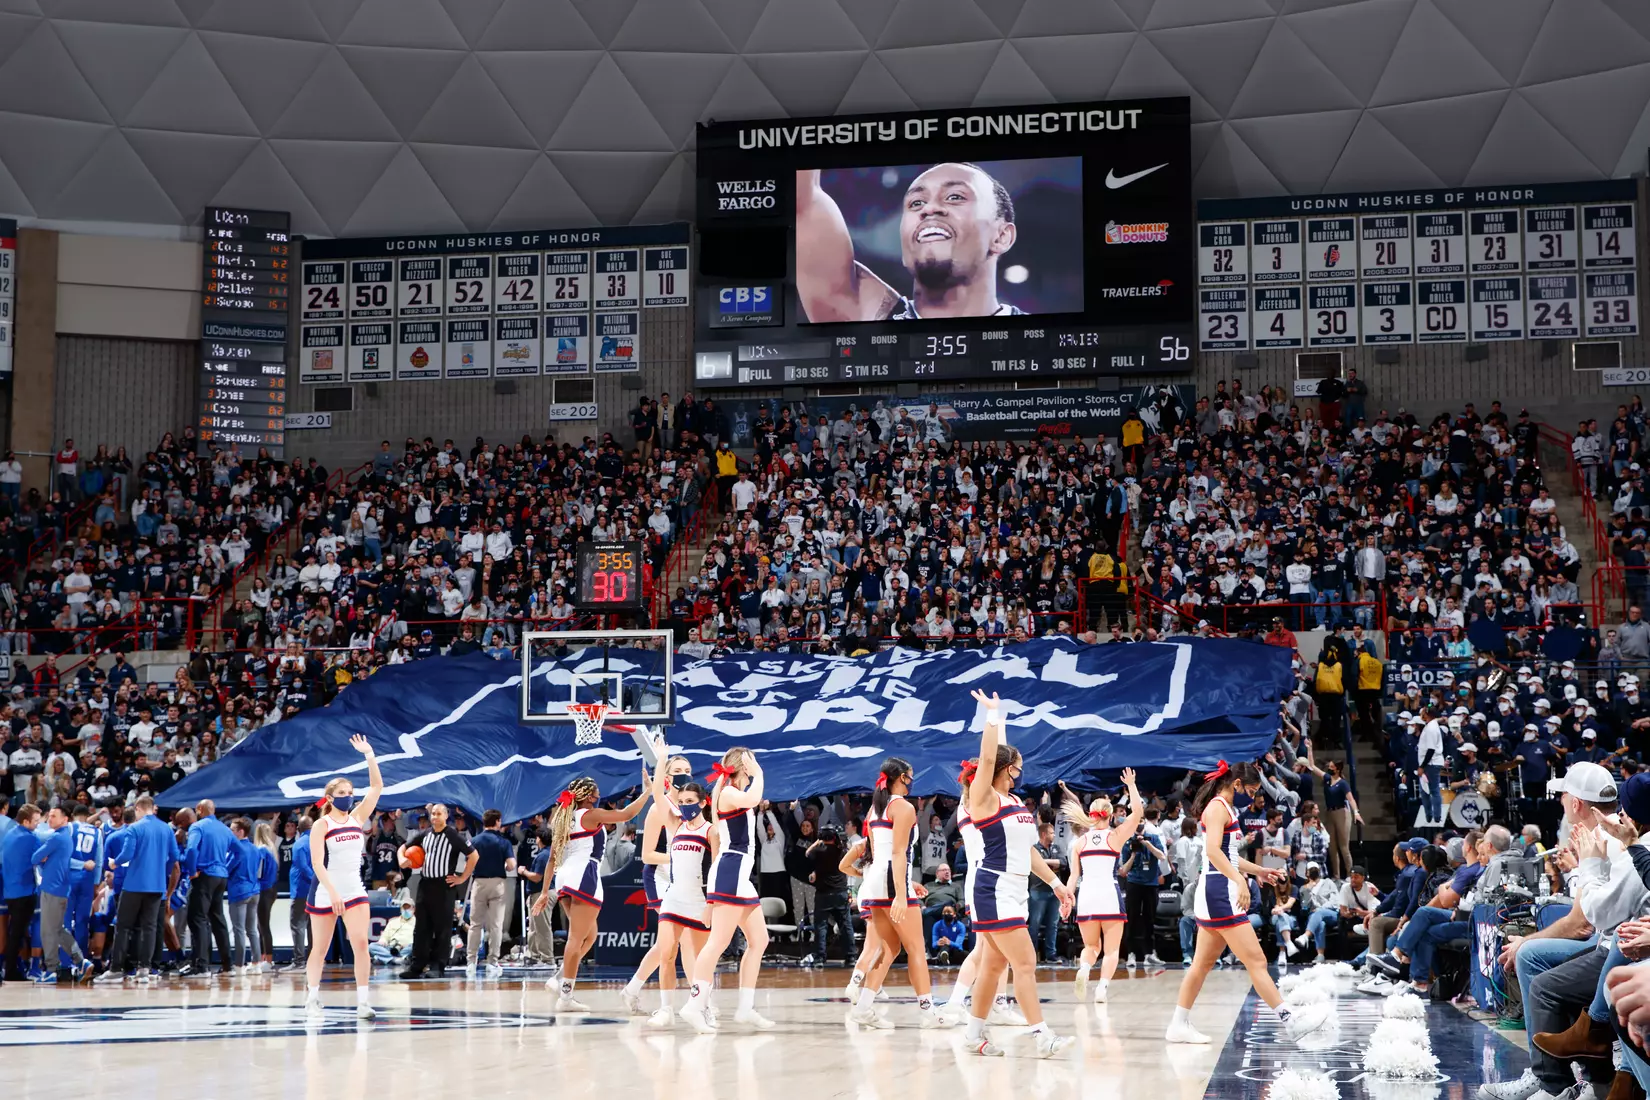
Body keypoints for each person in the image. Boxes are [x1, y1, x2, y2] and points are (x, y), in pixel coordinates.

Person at [1167, 761, 1331, 1044]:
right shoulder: (1218, 807)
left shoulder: (1226, 807)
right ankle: (1290, 1022)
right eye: (1252, 790)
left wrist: (1260, 871)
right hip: (1220, 890)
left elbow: (1228, 855)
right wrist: (1239, 880)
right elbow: (1213, 852)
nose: (1253, 796)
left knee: (1201, 964)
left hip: (1216, 886)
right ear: (1237, 784)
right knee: (1255, 960)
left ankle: (1178, 1024)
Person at [961, 689, 1074, 1058]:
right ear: (1005, 768)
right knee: (1025, 962)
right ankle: (1043, 1036)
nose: (1020, 771)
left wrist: (1056, 884)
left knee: (993, 969)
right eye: (1017, 766)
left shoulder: (1012, 801)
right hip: (993, 888)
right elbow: (990, 755)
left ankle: (973, 1036)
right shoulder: (983, 797)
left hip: (1015, 887)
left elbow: (1026, 851)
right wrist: (993, 717)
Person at [794, 165, 1025, 323]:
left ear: (1001, 236)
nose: (929, 208)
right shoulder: (860, 313)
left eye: (955, 196)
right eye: (916, 203)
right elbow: (801, 199)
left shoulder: (1040, 338)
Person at [531, 770, 649, 1012]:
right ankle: (566, 997)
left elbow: (552, 859)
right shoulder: (591, 814)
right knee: (577, 938)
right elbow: (627, 814)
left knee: (590, 934)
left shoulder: (564, 817)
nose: (599, 792)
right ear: (589, 795)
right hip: (585, 874)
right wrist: (648, 791)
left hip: (565, 877)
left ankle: (558, 979)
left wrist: (545, 892)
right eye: (595, 789)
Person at [680, 747, 776, 1033]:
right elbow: (753, 798)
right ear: (744, 765)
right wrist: (759, 773)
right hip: (732, 871)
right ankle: (694, 1005)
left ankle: (745, 1008)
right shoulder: (731, 793)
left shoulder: (730, 792)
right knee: (718, 943)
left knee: (759, 941)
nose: (756, 766)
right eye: (752, 762)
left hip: (739, 874)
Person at [850, 756, 941, 1028]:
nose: (913, 781)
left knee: (889, 948)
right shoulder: (903, 807)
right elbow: (898, 852)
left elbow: (876, 853)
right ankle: (928, 1011)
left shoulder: (874, 809)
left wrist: (903, 884)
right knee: (916, 948)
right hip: (891, 880)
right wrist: (902, 893)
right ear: (901, 777)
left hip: (875, 880)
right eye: (910, 776)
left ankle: (863, 1007)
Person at [303, 734, 383, 1019]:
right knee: (320, 949)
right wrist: (334, 894)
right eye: (342, 793)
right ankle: (312, 997)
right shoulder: (321, 825)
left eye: (350, 791)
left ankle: (363, 1002)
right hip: (326, 891)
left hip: (354, 889)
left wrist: (369, 754)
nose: (348, 796)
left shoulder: (357, 817)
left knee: (361, 943)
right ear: (330, 798)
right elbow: (316, 863)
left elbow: (376, 787)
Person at [624, 747, 695, 1014]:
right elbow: (646, 854)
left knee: (668, 944)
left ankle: (631, 989)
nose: (683, 775)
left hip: (683, 878)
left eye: (687, 771)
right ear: (665, 778)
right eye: (677, 772)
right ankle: (697, 1001)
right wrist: (678, 858)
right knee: (683, 939)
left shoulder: (692, 804)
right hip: (660, 877)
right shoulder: (659, 807)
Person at [1065, 769, 1144, 1002]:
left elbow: (1073, 877)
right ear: (1109, 816)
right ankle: (1101, 989)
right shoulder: (1115, 836)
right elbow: (1138, 812)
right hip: (1109, 894)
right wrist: (1131, 785)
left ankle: (1084, 969)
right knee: (1111, 950)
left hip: (1086, 895)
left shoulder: (1078, 842)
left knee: (1091, 946)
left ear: (1091, 816)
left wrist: (1067, 898)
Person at [649, 771, 714, 1028]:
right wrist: (661, 760)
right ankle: (666, 1009)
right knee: (666, 954)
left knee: (701, 963)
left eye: (690, 801)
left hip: (699, 901)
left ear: (703, 803)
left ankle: (703, 1007)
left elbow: (716, 870)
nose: (685, 805)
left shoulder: (712, 832)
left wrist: (711, 905)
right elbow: (657, 796)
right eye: (682, 801)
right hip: (673, 898)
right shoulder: (675, 825)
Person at [94, 795, 179, 983]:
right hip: (157, 886)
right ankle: (144, 971)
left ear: (138, 808)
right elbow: (174, 856)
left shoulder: (134, 828)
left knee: (124, 927)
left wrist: (114, 863)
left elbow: (127, 854)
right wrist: (161, 871)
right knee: (149, 928)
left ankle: (116, 969)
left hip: (134, 885)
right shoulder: (166, 828)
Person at [399, 803, 477, 980]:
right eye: (433, 813)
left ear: (446, 816)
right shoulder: (425, 834)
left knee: (442, 929)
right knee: (421, 928)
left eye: (438, 814)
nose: (435, 817)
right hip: (425, 884)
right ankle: (417, 965)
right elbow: (403, 848)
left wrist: (463, 878)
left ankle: (438, 966)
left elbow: (474, 855)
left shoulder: (453, 835)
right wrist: (402, 859)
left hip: (444, 886)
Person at [33, 804, 95, 982]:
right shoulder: (66, 838)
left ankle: (51, 970)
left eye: (54, 816)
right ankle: (81, 961)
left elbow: (34, 858)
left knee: (48, 931)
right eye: (49, 816)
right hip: (61, 888)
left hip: (52, 888)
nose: (49, 819)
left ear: (65, 820)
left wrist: (43, 859)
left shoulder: (56, 838)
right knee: (58, 929)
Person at [179, 799, 234, 976]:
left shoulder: (198, 827)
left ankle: (201, 966)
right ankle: (227, 966)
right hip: (221, 877)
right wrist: (226, 867)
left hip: (203, 876)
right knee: (218, 920)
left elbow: (192, 850)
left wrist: (192, 870)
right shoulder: (225, 828)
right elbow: (239, 850)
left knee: (198, 919)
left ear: (200, 809)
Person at [465, 808, 516, 980]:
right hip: (497, 883)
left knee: (475, 924)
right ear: (497, 822)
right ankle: (492, 962)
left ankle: (471, 962)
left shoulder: (474, 841)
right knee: (495, 925)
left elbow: (469, 861)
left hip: (478, 882)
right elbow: (511, 865)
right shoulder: (504, 842)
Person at [225, 817, 262, 972]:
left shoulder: (237, 849)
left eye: (232, 830)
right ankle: (256, 963)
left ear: (240, 832)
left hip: (239, 891)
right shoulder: (255, 848)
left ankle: (239, 965)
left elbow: (227, 868)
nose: (230, 832)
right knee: (252, 929)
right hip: (254, 890)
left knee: (239, 929)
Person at [368, 896, 415, 965]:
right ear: (400, 909)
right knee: (371, 946)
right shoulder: (393, 922)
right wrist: (383, 941)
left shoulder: (418, 922)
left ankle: (382, 958)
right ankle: (397, 960)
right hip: (390, 948)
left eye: (408, 908)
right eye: (404, 908)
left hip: (406, 948)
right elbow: (384, 936)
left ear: (414, 909)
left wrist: (405, 944)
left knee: (415, 947)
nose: (406, 910)